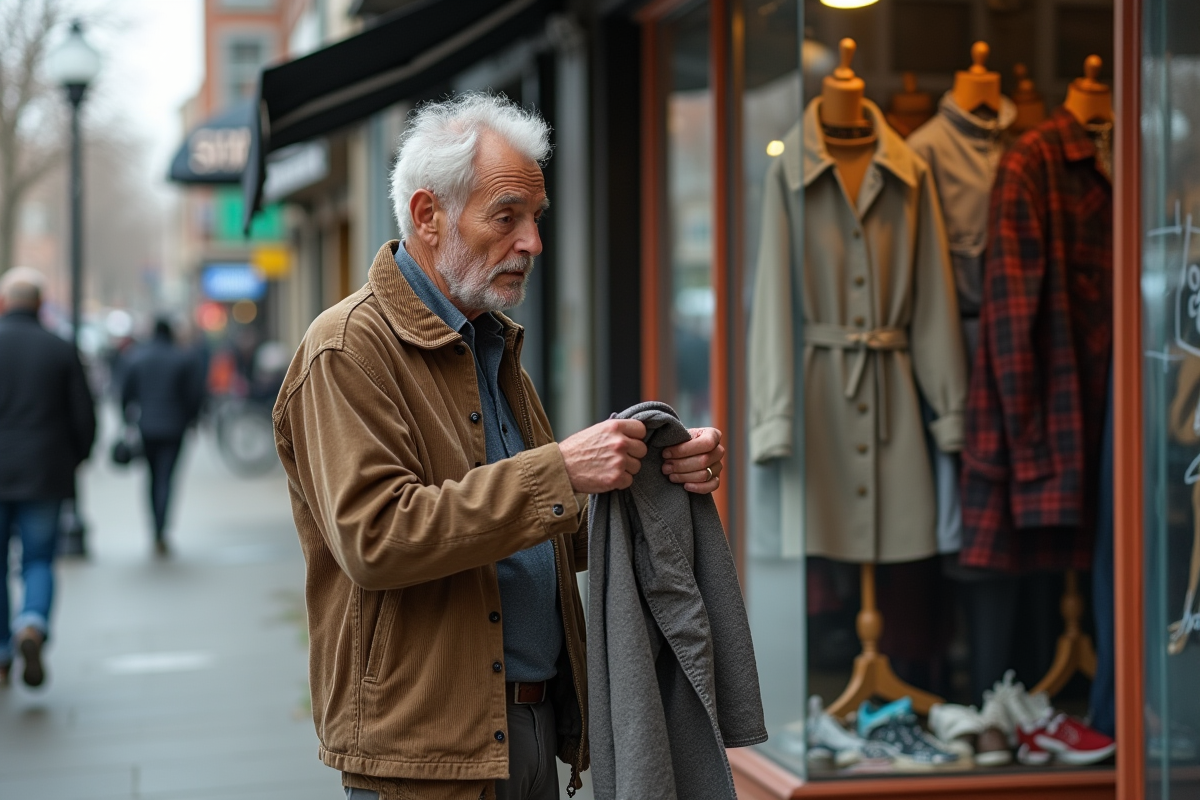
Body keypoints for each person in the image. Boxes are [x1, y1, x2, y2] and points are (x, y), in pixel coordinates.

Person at [274, 93, 726, 800]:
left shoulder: (488, 340)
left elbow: (539, 537)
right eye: (506, 216)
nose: (532, 243)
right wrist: (561, 472)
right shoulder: (346, 348)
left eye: (536, 218)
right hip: (425, 755)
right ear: (429, 215)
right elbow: (376, 538)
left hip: (529, 730)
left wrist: (655, 476)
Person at [0, 267, 96, 687]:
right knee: (38, 558)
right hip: (44, 472)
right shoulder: (59, 348)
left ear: (5, 303)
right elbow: (84, 415)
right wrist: (75, 458)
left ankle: (2, 653)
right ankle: (32, 624)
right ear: (40, 303)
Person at [121, 318, 204, 556]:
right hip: (175, 427)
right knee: (167, 478)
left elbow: (125, 394)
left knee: (151, 477)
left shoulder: (137, 357)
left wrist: (127, 421)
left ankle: (154, 528)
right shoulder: (183, 359)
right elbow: (194, 395)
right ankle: (162, 529)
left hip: (146, 427)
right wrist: (192, 420)